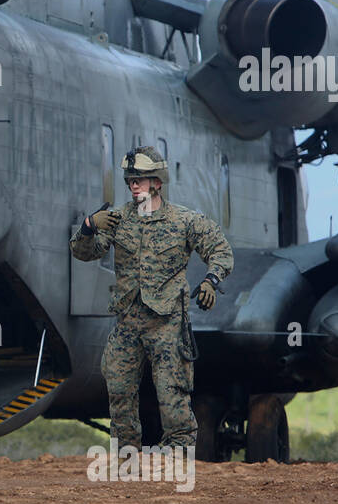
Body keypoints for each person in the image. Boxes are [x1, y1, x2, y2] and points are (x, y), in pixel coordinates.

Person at [69, 146, 233, 454]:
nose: (134, 185)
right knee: (118, 390)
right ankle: (125, 457)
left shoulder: (184, 220)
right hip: (128, 321)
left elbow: (220, 251)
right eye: (130, 179)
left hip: (167, 323)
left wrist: (211, 280)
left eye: (141, 179)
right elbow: (85, 252)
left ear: (157, 182)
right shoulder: (117, 220)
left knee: (172, 395)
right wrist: (89, 227)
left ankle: (179, 458)